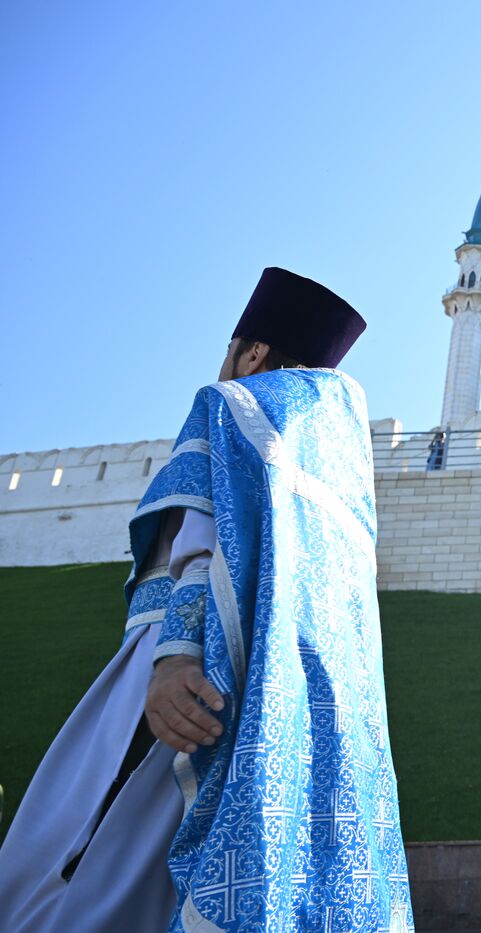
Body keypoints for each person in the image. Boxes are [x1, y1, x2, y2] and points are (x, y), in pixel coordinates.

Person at [0, 267, 414, 932]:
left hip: (188, 680)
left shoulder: (232, 408)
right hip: (285, 708)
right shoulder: (338, 457)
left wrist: (173, 659)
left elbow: (202, 537)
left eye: (231, 350)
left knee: (83, 851)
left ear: (250, 353)